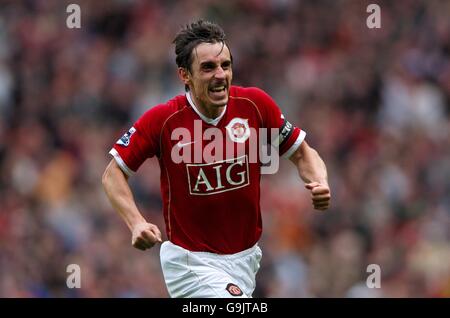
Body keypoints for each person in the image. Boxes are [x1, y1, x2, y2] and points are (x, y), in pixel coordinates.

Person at [102, 19, 331, 298]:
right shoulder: (164, 120)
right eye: (208, 67)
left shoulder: (255, 105)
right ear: (185, 75)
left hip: (245, 261)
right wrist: (136, 222)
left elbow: (303, 152)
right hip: (190, 262)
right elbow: (112, 174)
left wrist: (318, 180)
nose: (220, 74)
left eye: (226, 65)